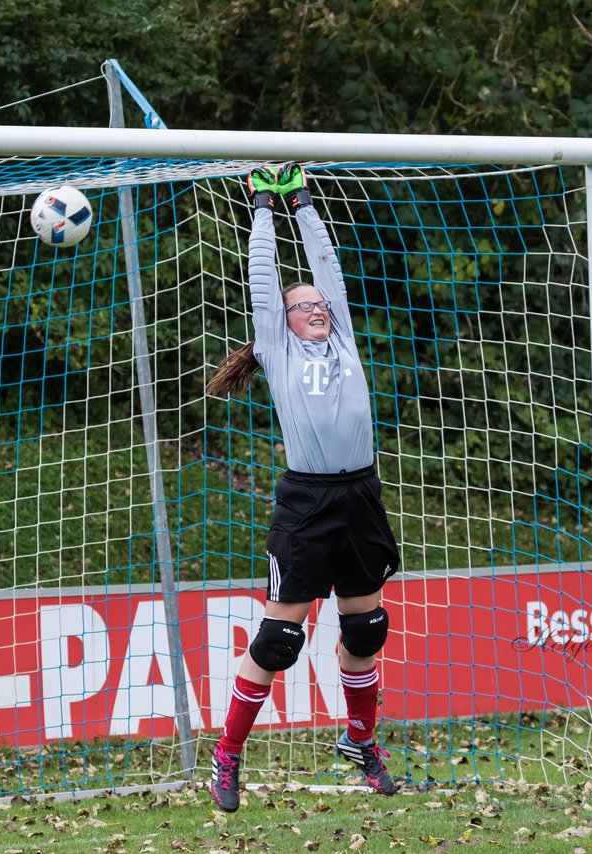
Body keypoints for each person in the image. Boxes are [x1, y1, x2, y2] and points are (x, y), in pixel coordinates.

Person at [205, 163, 402, 813]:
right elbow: (265, 280)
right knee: (280, 640)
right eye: (302, 305)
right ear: (282, 323)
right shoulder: (279, 349)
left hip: (360, 496)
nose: (315, 307)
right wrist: (265, 208)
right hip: (308, 502)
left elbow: (328, 265)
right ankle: (228, 755)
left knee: (366, 626)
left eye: (319, 303)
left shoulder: (341, 335)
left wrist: (305, 206)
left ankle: (360, 743)